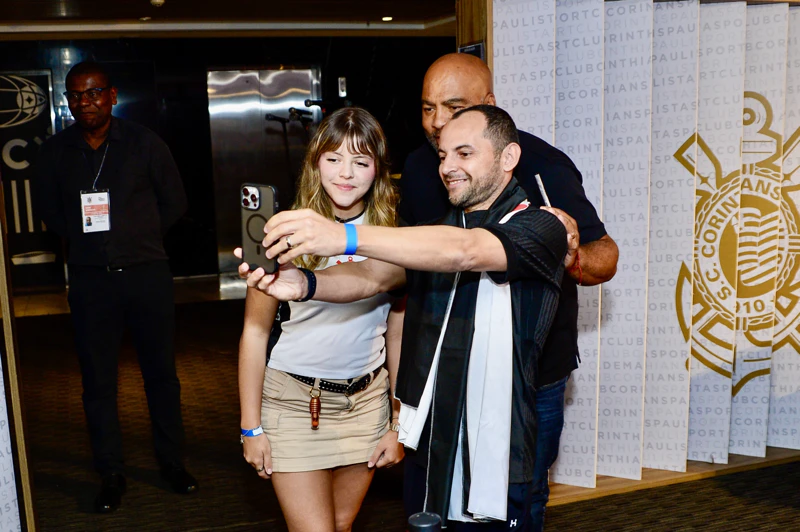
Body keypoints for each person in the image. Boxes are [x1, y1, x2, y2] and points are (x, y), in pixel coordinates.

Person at [242, 105, 572, 530]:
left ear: (508, 157)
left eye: (464, 153)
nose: (448, 167)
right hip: (434, 438)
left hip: (499, 443)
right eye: (443, 155)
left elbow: (465, 251)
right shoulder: (433, 231)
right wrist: (304, 284)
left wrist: (341, 235)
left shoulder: (542, 227)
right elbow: (370, 276)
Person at [398, 53, 619, 530]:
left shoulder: (544, 167)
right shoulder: (419, 167)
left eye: (454, 108)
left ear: (490, 104)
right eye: (428, 108)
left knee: (519, 497)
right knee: (436, 496)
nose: (438, 123)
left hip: (531, 373)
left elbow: (606, 257)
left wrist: (563, 253)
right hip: (447, 367)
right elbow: (409, 266)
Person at [34, 61, 197, 514]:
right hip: (90, 280)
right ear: (68, 101)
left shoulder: (145, 143)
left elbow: (175, 201)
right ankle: (110, 472)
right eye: (76, 95)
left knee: (161, 376)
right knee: (97, 383)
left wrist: (137, 237)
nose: (84, 102)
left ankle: (171, 462)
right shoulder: (55, 151)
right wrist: (87, 240)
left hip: (147, 275)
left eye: (93, 93)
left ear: (112, 95)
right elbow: (50, 211)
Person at [236, 107, 405, 532]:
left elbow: (398, 333)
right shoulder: (282, 232)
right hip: (295, 402)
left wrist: (397, 421)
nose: (346, 173)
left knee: (342, 525)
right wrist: (250, 427)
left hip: (366, 403)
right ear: (315, 162)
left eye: (360, 161)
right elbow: (254, 332)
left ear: (378, 170)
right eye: (333, 159)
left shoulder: (395, 236)